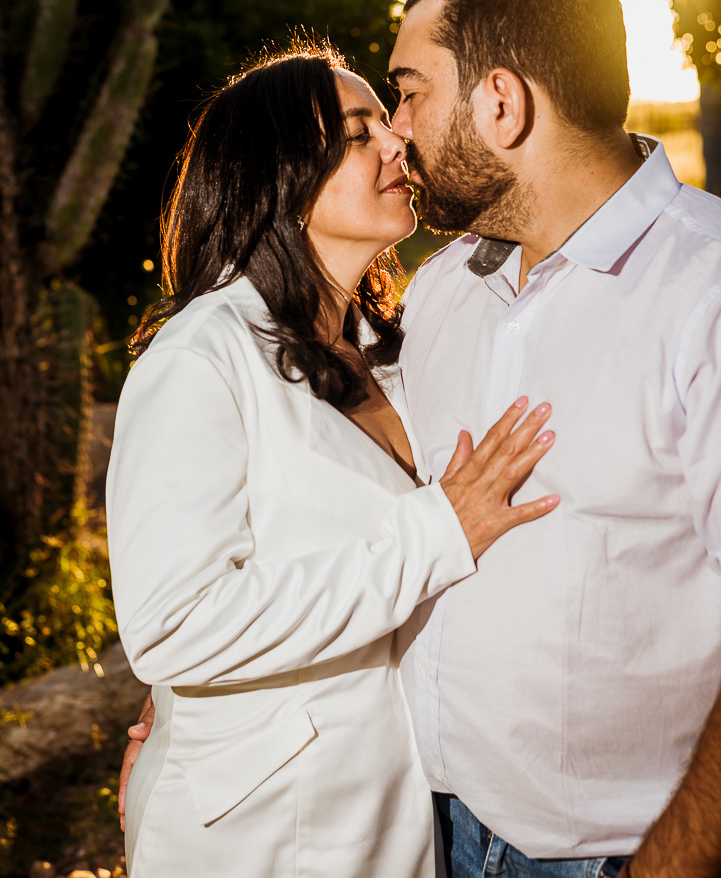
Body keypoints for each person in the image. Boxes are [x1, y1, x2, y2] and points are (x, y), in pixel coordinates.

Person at [107, 43, 560, 877]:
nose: (398, 143)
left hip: (401, 812)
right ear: (278, 171)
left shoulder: (389, 349)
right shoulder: (199, 356)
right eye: (359, 131)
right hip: (266, 833)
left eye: (387, 121)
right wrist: (433, 534)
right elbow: (171, 625)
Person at [388, 0, 721, 878]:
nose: (395, 126)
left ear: (501, 103)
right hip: (426, 832)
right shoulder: (444, 285)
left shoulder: (703, 294)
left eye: (411, 92)